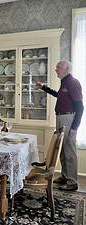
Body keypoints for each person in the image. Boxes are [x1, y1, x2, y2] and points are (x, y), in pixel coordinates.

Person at [35, 60, 84, 191]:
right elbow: (58, 95)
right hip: (61, 117)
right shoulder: (65, 83)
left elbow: (80, 107)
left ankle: (72, 181)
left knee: (69, 151)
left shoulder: (73, 83)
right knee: (62, 149)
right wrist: (43, 87)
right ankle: (65, 176)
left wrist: (75, 127)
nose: (56, 69)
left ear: (67, 69)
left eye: (58, 67)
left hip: (68, 119)